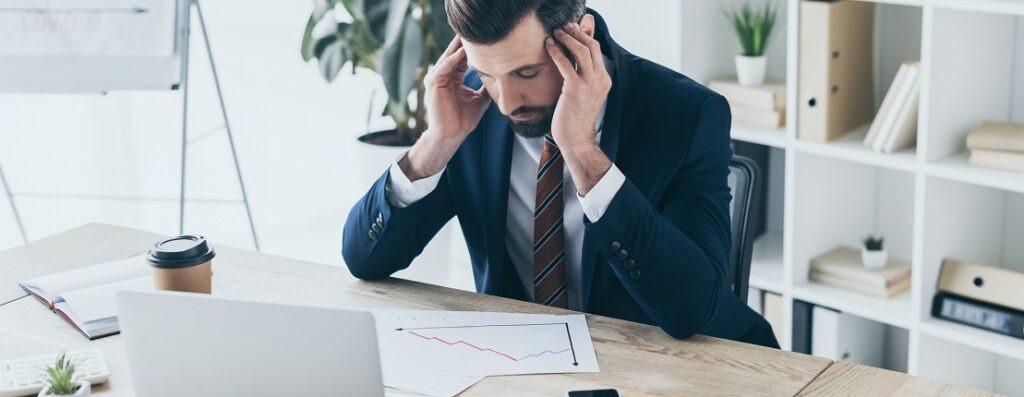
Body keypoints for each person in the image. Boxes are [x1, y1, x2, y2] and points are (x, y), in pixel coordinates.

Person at [343, 0, 778, 348]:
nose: (507, 102)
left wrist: (582, 151)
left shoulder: (687, 115)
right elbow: (364, 259)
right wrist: (437, 142)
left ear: (579, 39)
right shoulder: (471, 107)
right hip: (528, 363)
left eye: (526, 72)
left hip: (675, 367)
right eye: (489, 73)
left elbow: (689, 308)